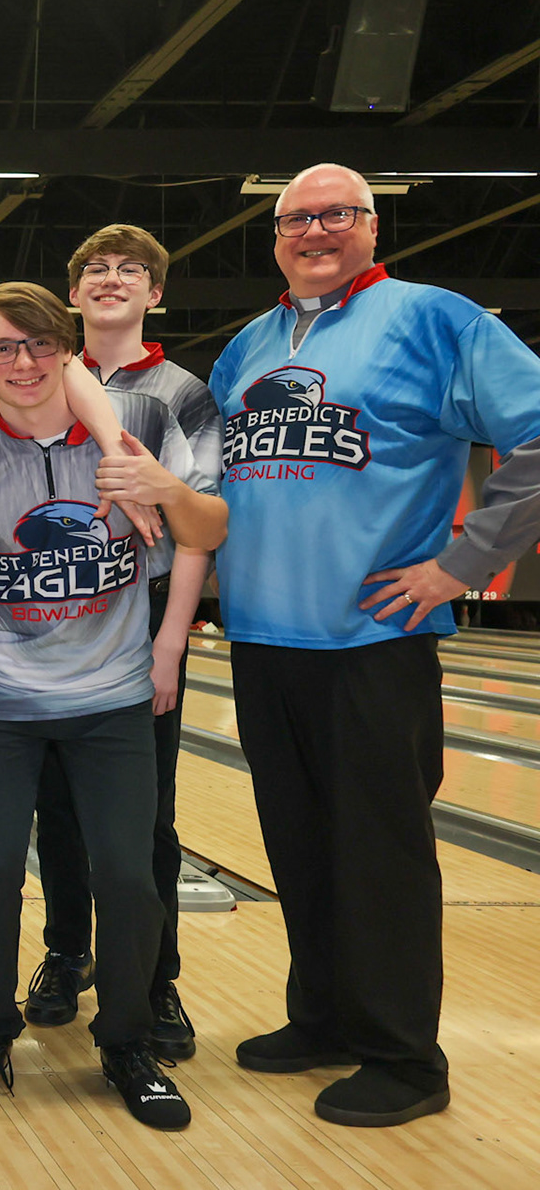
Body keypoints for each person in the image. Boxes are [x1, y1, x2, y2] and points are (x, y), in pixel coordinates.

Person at [212, 163, 540, 1126]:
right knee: (301, 847)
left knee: (380, 854)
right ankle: (320, 1017)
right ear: (275, 238)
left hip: (374, 641)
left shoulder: (435, 318)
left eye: (335, 215)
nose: (314, 231)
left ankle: (404, 1059)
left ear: (369, 222)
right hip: (265, 641)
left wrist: (466, 561)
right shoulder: (249, 345)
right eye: (294, 220)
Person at [0, 282, 224, 1132]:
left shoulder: (140, 418)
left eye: (37, 345)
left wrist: (160, 487)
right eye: (0, 350)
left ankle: (126, 1040)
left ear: (67, 348)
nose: (21, 364)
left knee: (129, 875)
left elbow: (209, 527)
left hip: (110, 698)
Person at [25, 225, 220, 1057]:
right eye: (94, 269)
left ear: (155, 293)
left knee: (149, 823)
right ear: (72, 294)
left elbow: (199, 527)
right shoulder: (35, 377)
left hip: (137, 630)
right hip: (47, 631)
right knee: (58, 811)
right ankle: (68, 953)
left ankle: (154, 978)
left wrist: (169, 645)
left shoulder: (181, 392)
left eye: (130, 270)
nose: (111, 280)